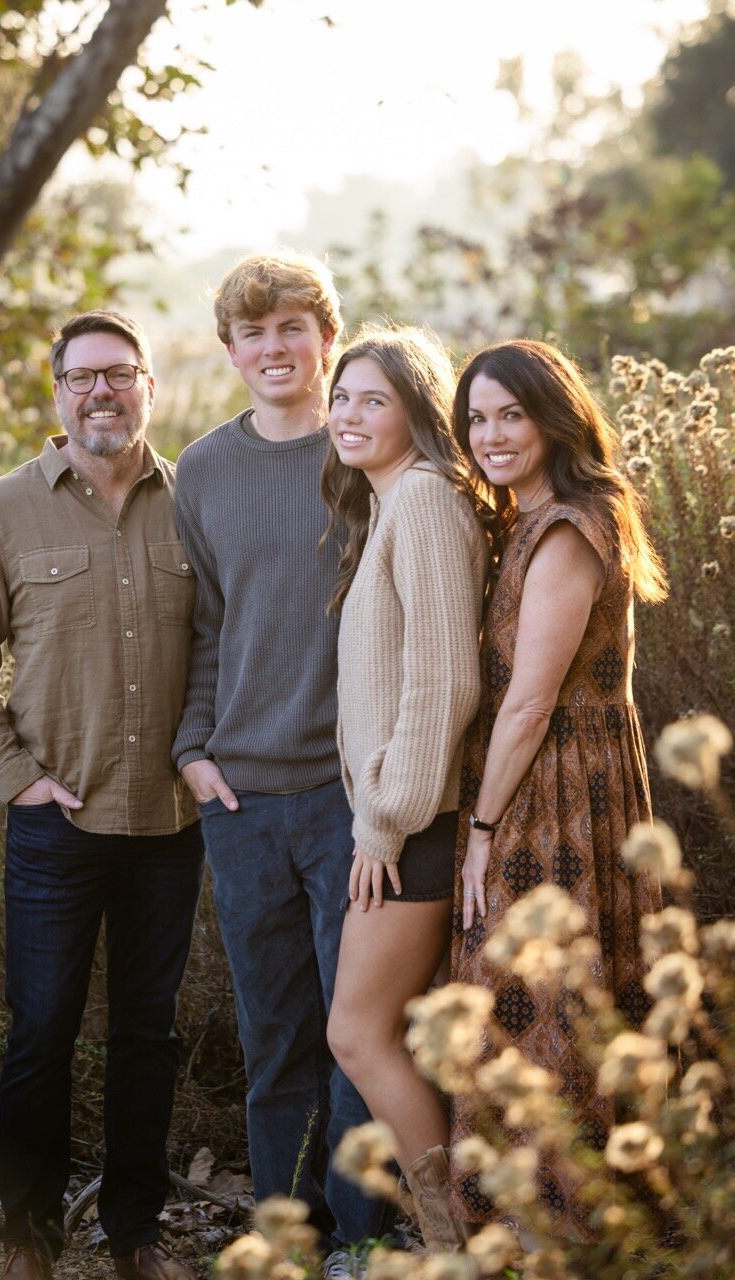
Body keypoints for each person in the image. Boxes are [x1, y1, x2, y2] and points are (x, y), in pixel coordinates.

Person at [0, 311, 203, 1280]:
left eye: (121, 374)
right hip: (57, 820)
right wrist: (18, 780)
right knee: (41, 1028)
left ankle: (135, 1233)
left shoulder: (192, 502)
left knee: (148, 1032)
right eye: (83, 376)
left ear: (148, 389)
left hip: (170, 821)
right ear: (57, 394)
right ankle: (27, 1237)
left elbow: (220, 649)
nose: (103, 391)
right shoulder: (5, 509)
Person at [172, 252, 393, 1270]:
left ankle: (359, 1233)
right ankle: (283, 1228)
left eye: (291, 327)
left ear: (325, 338)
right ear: (230, 351)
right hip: (244, 798)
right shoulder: (205, 471)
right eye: (253, 333)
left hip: (353, 798)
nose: (273, 347)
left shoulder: (366, 453)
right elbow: (203, 625)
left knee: (357, 1034)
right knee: (275, 1035)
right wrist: (193, 753)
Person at [448, 338, 667, 1240]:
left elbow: (532, 700)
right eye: (475, 418)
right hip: (557, 776)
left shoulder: (569, 527)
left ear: (553, 417)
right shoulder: (525, 519)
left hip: (557, 791)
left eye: (510, 414)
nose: (489, 434)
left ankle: (559, 1226)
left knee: (535, 998)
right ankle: (539, 1220)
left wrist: (480, 827)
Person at [320, 326, 489, 1253]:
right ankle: (458, 1237)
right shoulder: (390, 505)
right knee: (386, 1035)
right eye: (342, 397)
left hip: (410, 826)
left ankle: (451, 1243)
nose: (348, 414)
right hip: (398, 819)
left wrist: (382, 823)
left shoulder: (422, 499)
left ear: (417, 412)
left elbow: (443, 683)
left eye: (372, 399)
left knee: (358, 1035)